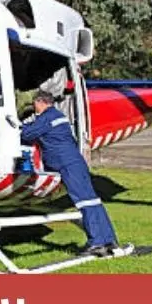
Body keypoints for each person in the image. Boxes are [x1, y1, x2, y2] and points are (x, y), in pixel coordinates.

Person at [20, 90, 119, 256]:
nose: (34, 107)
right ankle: (109, 239)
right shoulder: (58, 115)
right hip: (75, 162)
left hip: (66, 165)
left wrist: (18, 126)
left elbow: (27, 134)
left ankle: (96, 243)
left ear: (40, 102)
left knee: (84, 202)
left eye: (34, 104)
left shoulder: (46, 118)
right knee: (93, 201)